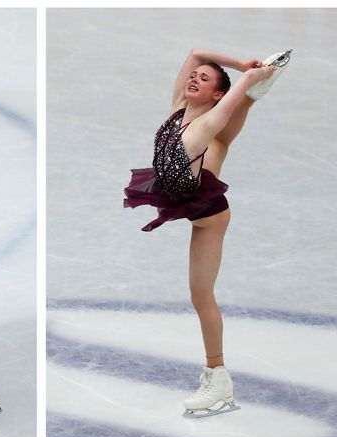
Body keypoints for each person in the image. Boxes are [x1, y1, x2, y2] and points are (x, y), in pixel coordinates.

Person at [124, 48, 291, 418]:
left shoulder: (206, 122)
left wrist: (255, 76)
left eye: (205, 78)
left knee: (202, 297)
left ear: (217, 94)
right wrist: (240, 64)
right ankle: (219, 381)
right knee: (219, 144)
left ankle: (217, 378)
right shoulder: (178, 110)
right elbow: (196, 52)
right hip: (189, 186)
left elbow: (237, 90)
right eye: (193, 76)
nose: (194, 77)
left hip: (209, 214)